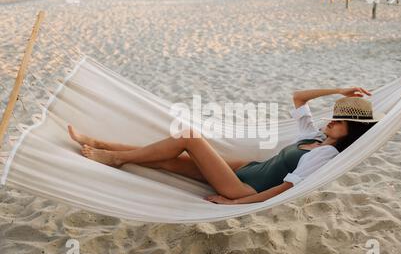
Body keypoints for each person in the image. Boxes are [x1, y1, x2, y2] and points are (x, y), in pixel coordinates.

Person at [68, 87, 382, 205]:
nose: (332, 120)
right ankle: (101, 144)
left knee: (189, 137)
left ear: (349, 132)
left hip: (242, 188)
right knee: (168, 161)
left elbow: (286, 188)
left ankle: (114, 158)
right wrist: (340, 90)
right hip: (247, 169)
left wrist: (237, 204)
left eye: (339, 121)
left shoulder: (326, 154)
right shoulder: (315, 136)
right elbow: (299, 97)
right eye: (335, 114)